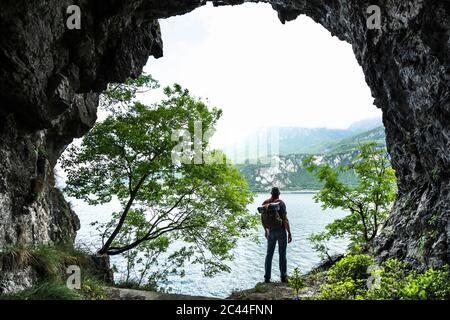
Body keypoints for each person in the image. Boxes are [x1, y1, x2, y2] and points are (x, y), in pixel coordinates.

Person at [262, 187, 292, 283]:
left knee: (269, 254)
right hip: (281, 231)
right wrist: (289, 233)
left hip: (270, 231)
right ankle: (283, 277)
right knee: (282, 254)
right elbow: (285, 219)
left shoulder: (265, 203)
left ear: (271, 193)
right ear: (279, 194)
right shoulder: (281, 203)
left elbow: (263, 219)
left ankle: (267, 277)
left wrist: (266, 230)